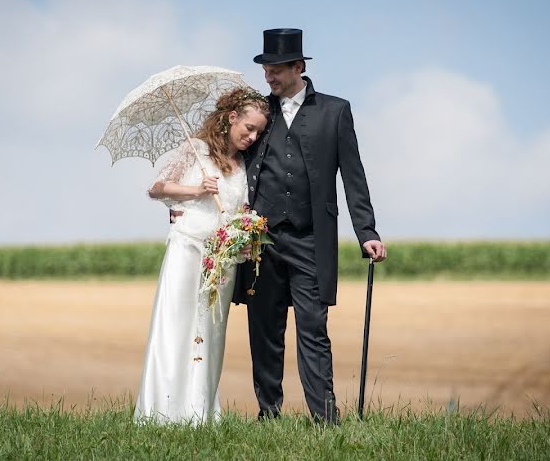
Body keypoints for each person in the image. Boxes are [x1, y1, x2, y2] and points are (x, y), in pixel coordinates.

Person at [233, 28, 387, 424]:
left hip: (311, 239)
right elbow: (230, 164)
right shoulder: (259, 115)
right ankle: (268, 414)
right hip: (261, 241)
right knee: (264, 328)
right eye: (266, 69)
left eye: (276, 70)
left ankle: (325, 417)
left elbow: (354, 177)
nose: (269, 77)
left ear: (298, 67)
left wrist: (366, 232)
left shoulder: (335, 111)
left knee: (313, 329)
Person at [134, 87, 270, 424]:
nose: (252, 137)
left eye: (258, 132)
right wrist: (196, 190)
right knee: (176, 326)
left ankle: (200, 412)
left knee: (210, 333)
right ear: (231, 117)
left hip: (221, 259)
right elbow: (157, 188)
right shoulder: (196, 150)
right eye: (248, 128)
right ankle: (161, 411)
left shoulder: (243, 163)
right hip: (188, 248)